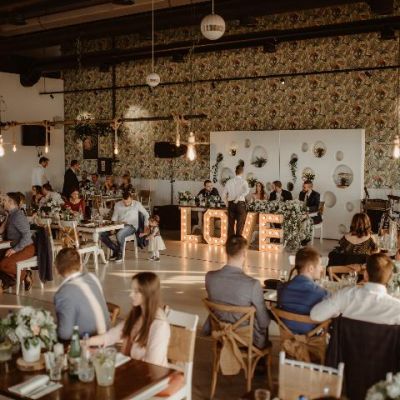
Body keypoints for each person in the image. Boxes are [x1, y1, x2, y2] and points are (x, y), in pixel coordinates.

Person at [88, 272, 170, 367]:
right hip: (132, 368)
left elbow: (152, 364)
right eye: (132, 290)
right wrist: (85, 342)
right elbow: (110, 336)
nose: (131, 295)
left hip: (149, 373)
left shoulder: (159, 326)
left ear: (147, 294)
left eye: (136, 291)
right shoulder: (137, 314)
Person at [204, 235, 270, 348]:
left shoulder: (210, 277)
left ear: (226, 251)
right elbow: (264, 323)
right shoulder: (253, 284)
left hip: (220, 335)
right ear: (244, 253)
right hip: (245, 340)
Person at [311, 253, 400, 324]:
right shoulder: (396, 307)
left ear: (365, 275)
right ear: (390, 278)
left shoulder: (345, 295)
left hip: (345, 342)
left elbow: (316, 315)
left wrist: (336, 309)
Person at [54, 248, 111, 340]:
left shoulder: (63, 293)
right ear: (80, 266)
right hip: (108, 336)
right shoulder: (93, 278)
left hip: (87, 342)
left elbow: (65, 334)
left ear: (56, 270)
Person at [277, 247, 327, 334]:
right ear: (311, 268)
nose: (322, 269)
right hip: (311, 337)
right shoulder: (320, 293)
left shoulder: (282, 288)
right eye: (320, 265)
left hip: (287, 335)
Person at [100, 191, 149, 262]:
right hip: (118, 225)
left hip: (131, 226)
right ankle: (116, 250)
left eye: (128, 202)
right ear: (122, 199)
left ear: (131, 198)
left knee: (119, 234)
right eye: (124, 202)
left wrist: (146, 225)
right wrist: (113, 227)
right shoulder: (118, 204)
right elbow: (114, 217)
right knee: (101, 234)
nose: (126, 204)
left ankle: (120, 254)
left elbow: (146, 214)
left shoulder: (137, 204)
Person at [0, 193, 35, 290]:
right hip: (15, 246)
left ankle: (25, 274)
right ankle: (9, 282)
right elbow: (1, 231)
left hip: (26, 247)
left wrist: (14, 250)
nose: (2, 203)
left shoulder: (18, 216)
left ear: (11, 202)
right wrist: (7, 216)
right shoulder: (11, 214)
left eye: (4, 200)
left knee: (4, 265)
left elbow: (27, 236)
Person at [222, 165, 250, 236]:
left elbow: (223, 196)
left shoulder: (229, 182)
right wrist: (239, 197)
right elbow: (247, 191)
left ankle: (231, 241)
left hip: (231, 204)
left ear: (235, 172)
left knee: (230, 225)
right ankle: (238, 241)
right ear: (242, 172)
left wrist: (227, 204)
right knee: (240, 225)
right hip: (240, 205)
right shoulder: (244, 181)